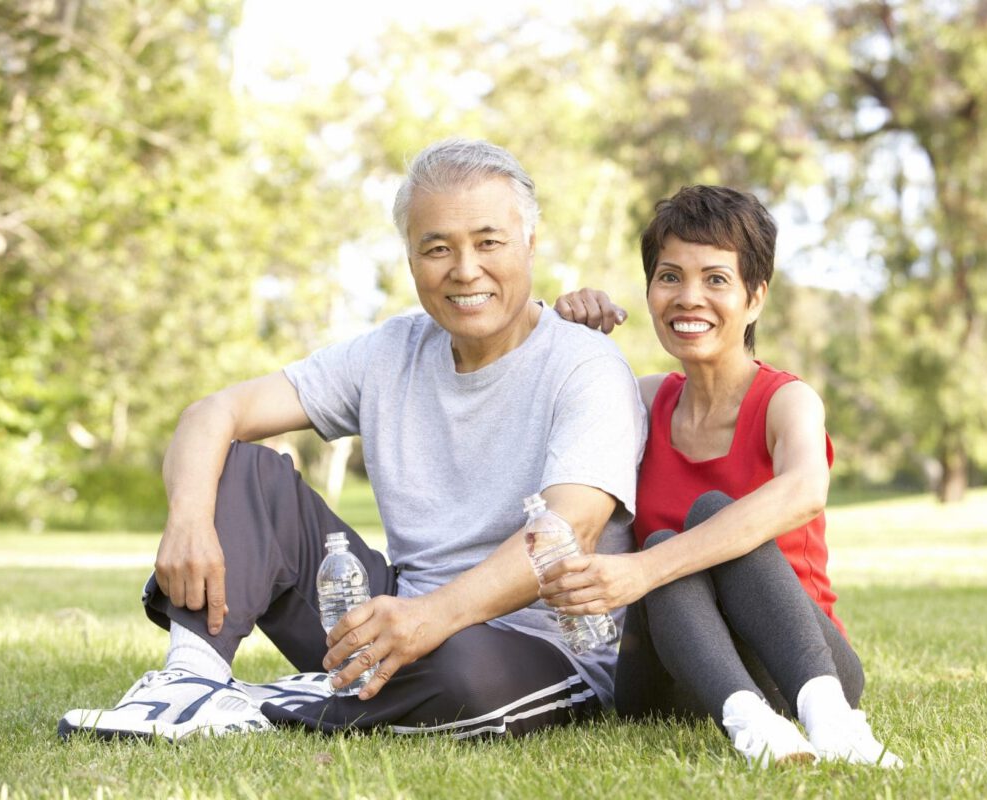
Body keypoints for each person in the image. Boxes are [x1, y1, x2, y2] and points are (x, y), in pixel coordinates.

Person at [59, 138, 646, 742]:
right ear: (411, 258)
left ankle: (258, 711)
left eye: (488, 241)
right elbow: (215, 411)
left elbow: (565, 533)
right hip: (393, 616)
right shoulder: (391, 351)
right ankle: (190, 681)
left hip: (532, 645)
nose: (465, 269)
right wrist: (187, 516)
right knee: (240, 470)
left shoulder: (585, 365)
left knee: (464, 676)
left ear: (528, 242)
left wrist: (430, 620)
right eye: (437, 248)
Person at [547, 185, 902, 768]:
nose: (690, 298)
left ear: (754, 297)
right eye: (670, 277)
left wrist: (644, 569)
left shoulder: (786, 402)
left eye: (715, 279)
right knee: (668, 540)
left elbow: (805, 489)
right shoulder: (640, 401)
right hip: (674, 679)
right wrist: (564, 342)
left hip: (801, 666)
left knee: (705, 518)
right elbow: (549, 431)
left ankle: (832, 722)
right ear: (649, 290)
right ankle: (751, 726)